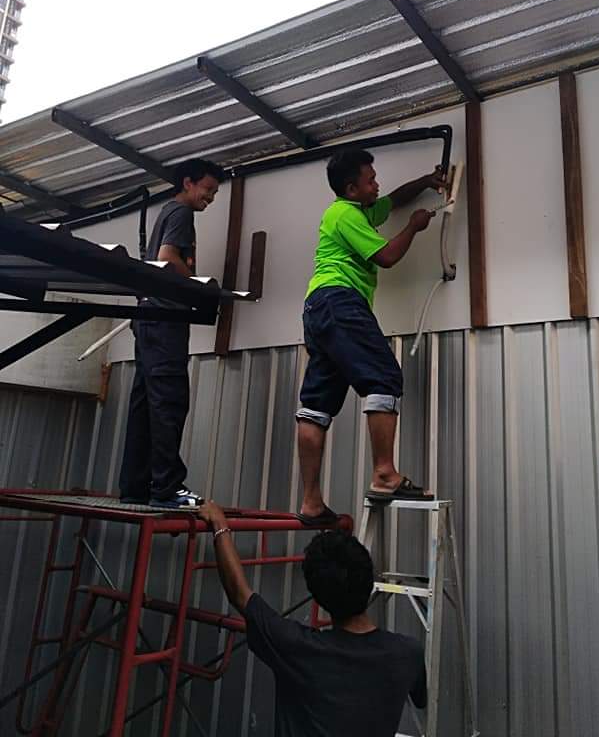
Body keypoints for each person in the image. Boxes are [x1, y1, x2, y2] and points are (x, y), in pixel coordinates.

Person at [295, 149, 445, 525]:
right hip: (340, 301)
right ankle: (384, 474)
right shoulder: (344, 214)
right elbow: (388, 256)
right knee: (383, 377)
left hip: (319, 309)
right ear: (351, 189)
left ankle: (311, 501)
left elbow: (393, 200)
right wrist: (413, 226)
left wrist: (427, 181)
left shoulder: (358, 210)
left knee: (317, 403)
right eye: (370, 180)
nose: (377, 184)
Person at [199, 499, 427, 737]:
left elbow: (239, 593)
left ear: (317, 597)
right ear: (369, 581)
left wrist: (219, 524)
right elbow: (421, 699)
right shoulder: (408, 653)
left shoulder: (297, 648)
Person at [118, 157, 224, 509]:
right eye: (207, 189)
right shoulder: (181, 213)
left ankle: (135, 486)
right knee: (169, 400)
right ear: (188, 183)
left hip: (149, 317)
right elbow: (167, 257)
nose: (211, 197)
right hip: (164, 319)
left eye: (215, 192)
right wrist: (197, 288)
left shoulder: (167, 211)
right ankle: (166, 487)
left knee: (145, 402)